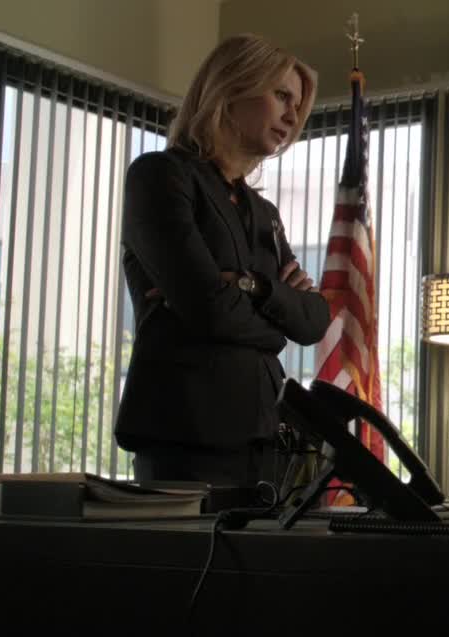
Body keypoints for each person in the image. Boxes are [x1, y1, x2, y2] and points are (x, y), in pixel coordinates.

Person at [115, 35, 330, 492]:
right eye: (281, 96)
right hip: (184, 436)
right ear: (231, 89)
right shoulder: (159, 175)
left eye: (297, 105)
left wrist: (253, 287)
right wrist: (276, 320)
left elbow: (313, 321)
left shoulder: (264, 213)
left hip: (266, 439)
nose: (293, 117)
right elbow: (209, 308)